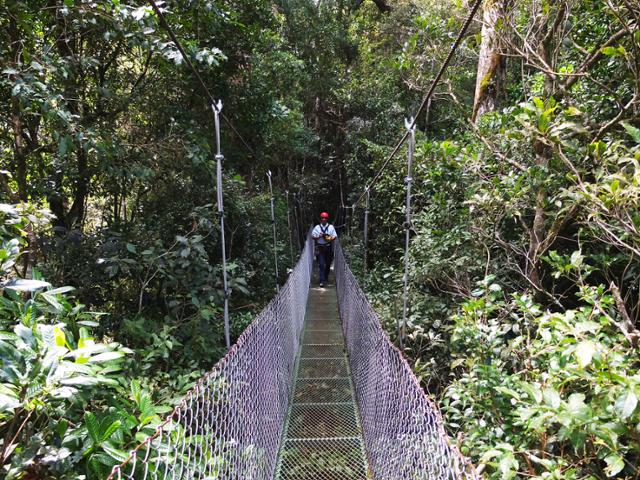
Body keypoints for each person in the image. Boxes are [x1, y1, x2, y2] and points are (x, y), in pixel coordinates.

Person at [311, 212, 337, 287]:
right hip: (320, 247)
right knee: (321, 264)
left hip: (328, 247)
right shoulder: (317, 227)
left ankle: (325, 277)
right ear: (320, 219)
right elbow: (312, 237)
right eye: (322, 218)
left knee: (328, 264)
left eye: (325, 218)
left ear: (327, 219)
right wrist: (318, 237)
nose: (324, 219)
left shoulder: (331, 227)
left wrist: (328, 237)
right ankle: (321, 280)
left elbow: (334, 237)